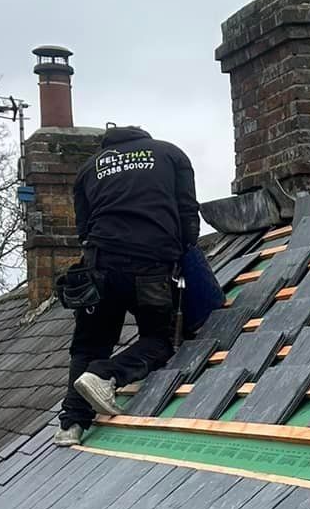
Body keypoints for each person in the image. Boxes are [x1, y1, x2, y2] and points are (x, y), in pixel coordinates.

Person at [54, 124, 200, 445]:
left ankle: (71, 426)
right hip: (151, 265)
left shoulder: (87, 169)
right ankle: (106, 375)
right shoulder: (169, 153)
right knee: (158, 341)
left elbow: (83, 230)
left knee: (89, 344)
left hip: (100, 265)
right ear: (142, 137)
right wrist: (185, 259)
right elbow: (188, 213)